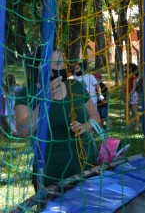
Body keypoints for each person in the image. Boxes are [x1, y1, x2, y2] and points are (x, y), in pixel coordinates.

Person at [15, 46, 102, 187]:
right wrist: (46, 100)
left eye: (63, 62)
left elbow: (95, 115)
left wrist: (85, 126)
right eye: (57, 64)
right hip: (50, 171)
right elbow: (23, 131)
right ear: (42, 67)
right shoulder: (27, 93)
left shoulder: (75, 86)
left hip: (85, 165)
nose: (63, 67)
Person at [125, 63, 139, 131]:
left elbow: (133, 88)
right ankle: (128, 125)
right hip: (127, 94)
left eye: (126, 67)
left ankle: (136, 126)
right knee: (126, 111)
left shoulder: (133, 77)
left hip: (132, 95)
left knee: (134, 110)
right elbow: (125, 85)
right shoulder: (126, 76)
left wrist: (130, 95)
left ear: (130, 68)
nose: (125, 69)